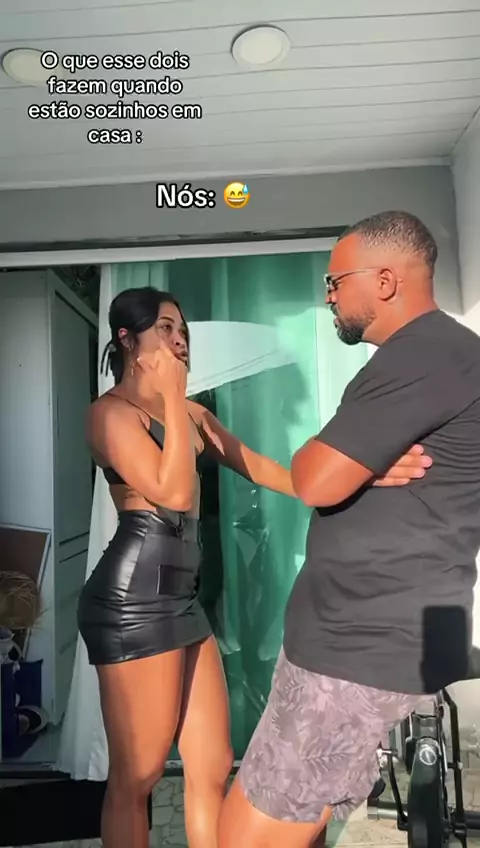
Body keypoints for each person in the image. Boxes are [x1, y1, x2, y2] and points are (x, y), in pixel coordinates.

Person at [78, 285, 432, 848]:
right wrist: (171, 396)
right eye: (165, 329)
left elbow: (268, 471)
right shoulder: (110, 415)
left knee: (212, 762)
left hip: (181, 597)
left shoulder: (192, 415)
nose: (180, 341)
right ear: (126, 339)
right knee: (138, 774)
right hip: (132, 604)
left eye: (183, 331)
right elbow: (173, 493)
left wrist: (366, 474)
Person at [218, 210, 480, 848]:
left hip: (356, 643)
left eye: (336, 282)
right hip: (362, 637)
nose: (329, 296)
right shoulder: (443, 357)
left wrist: (339, 462)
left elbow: (314, 478)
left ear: (385, 281)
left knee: (246, 838)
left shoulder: (422, 355)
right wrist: (362, 463)